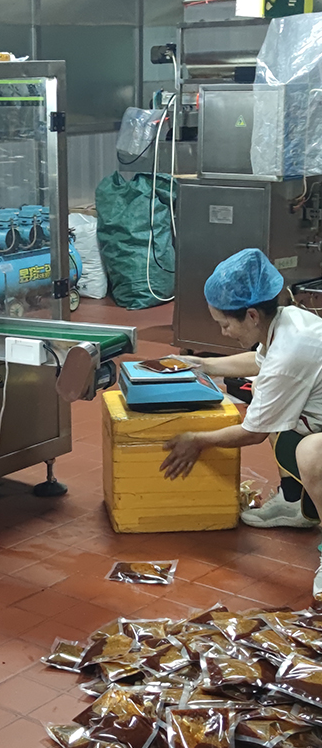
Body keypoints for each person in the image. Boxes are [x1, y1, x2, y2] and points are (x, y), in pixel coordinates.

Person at [160, 248, 322, 591]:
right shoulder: (287, 321)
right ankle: (294, 502)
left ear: (251, 315)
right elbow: (260, 362)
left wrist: (197, 440)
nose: (223, 333)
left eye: (225, 324)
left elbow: (253, 432)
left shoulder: (291, 350)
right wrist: (204, 365)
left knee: (310, 453)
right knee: (269, 398)